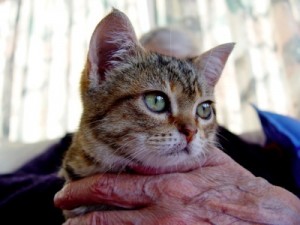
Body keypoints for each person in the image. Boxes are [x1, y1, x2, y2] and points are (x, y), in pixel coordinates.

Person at [1, 27, 299, 225]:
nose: (189, 128)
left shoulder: (242, 150)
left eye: (202, 106)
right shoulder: (74, 142)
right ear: (106, 70)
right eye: (159, 98)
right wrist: (77, 190)